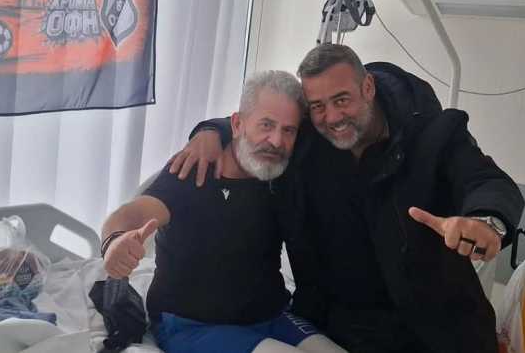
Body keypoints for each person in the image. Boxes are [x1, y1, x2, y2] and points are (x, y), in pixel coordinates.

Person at [171, 44, 525, 353]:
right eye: (318, 106)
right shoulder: (308, 140)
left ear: (368, 87)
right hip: (345, 329)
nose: (333, 117)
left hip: (439, 330)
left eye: (342, 100)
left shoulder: (434, 137)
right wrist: (210, 132)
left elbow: (488, 181)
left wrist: (486, 222)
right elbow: (259, 123)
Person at [101, 70, 347, 353]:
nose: (276, 141)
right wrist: (114, 241)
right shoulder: (195, 169)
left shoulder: (281, 174)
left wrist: (210, 129)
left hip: (271, 315)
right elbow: (133, 214)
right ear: (238, 124)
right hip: (192, 325)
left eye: (288, 130)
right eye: (266, 125)